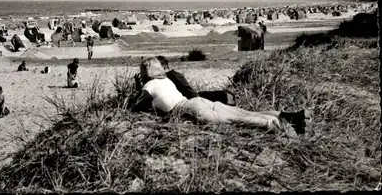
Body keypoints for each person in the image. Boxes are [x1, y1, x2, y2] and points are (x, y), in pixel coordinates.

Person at [131, 57, 308, 134]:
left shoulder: (149, 85)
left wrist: (138, 87)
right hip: (196, 101)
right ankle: (286, 117)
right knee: (242, 113)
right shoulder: (166, 79)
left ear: (146, 71)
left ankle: (279, 127)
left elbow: (136, 107)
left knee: (235, 121)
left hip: (188, 108)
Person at [155, 56, 235, 106]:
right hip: (188, 98)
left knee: (201, 97)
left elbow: (189, 93)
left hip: (188, 100)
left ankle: (224, 96)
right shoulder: (173, 75)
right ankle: (224, 96)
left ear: (164, 67)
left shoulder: (172, 76)